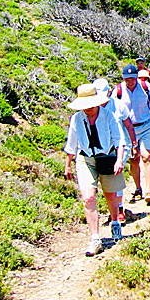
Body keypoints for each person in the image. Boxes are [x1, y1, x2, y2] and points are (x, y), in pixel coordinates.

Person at [64, 83, 127, 256]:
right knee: (88, 197)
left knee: (110, 194)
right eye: (85, 106)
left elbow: (119, 139)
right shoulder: (76, 119)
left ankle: (115, 223)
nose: (88, 109)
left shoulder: (109, 116)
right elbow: (71, 144)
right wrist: (67, 164)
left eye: (91, 106)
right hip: (86, 159)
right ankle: (95, 238)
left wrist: (119, 160)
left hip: (107, 157)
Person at [112, 64, 150, 206]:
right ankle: (138, 187)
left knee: (146, 156)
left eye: (132, 79)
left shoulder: (145, 87)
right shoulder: (118, 91)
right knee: (133, 159)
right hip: (127, 130)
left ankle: (148, 191)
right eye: (127, 79)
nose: (130, 82)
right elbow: (111, 112)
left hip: (146, 125)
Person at [93, 78, 136, 223]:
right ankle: (113, 208)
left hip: (120, 146)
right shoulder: (92, 108)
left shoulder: (119, 106)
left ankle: (119, 209)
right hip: (101, 149)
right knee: (105, 179)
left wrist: (133, 142)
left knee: (115, 173)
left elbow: (128, 125)